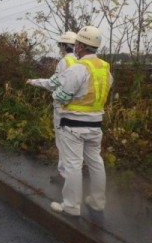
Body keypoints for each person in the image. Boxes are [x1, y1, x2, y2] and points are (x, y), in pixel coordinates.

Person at [49, 26, 112, 216]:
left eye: (77, 43)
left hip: (73, 125)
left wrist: (57, 93)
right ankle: (98, 202)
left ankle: (71, 206)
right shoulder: (105, 68)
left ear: (82, 46)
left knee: (73, 165)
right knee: (96, 163)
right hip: (95, 124)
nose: (75, 46)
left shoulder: (78, 69)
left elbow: (61, 96)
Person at [26, 31, 77, 184]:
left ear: (64, 46)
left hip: (63, 109)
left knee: (62, 142)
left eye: (60, 45)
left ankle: (64, 176)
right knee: (76, 145)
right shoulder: (83, 62)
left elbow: (52, 83)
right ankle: (76, 175)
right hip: (81, 110)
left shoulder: (64, 62)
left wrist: (33, 81)